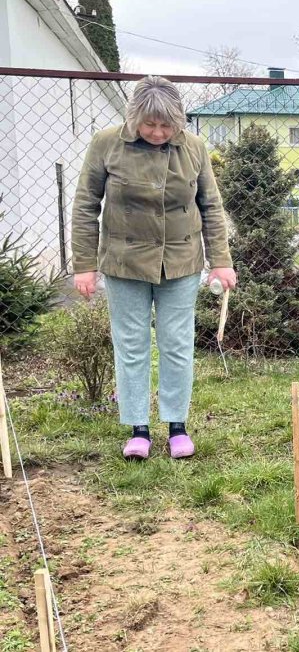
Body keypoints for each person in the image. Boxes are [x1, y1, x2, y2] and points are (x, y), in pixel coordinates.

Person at [71, 76, 236, 461]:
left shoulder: (193, 147)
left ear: (178, 121)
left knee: (177, 344)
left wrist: (221, 261)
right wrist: (84, 265)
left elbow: (211, 206)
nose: (159, 132)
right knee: (131, 345)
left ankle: (177, 426)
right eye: (150, 124)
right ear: (134, 119)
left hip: (180, 261)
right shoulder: (106, 143)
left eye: (167, 125)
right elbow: (84, 205)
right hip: (123, 262)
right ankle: (138, 429)